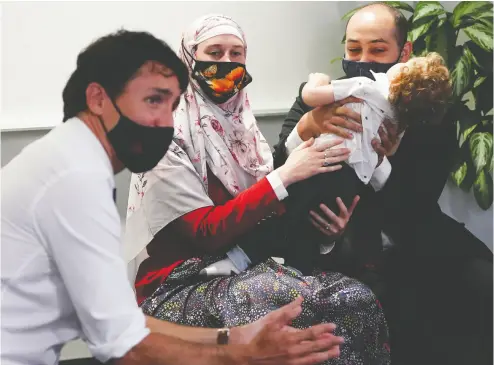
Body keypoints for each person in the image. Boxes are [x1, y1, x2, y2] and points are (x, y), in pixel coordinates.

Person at [0, 30, 346, 365]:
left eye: (172, 103)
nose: (165, 121)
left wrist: (231, 339)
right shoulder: (73, 183)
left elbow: (122, 324)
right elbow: (122, 342)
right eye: (152, 100)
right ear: (98, 99)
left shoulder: (72, 162)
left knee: (344, 300)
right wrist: (235, 351)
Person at [124, 14, 391, 365]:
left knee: (355, 298)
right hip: (178, 284)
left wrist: (327, 236)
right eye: (214, 52)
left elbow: (275, 221)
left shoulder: (244, 133)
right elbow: (205, 233)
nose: (227, 63)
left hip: (249, 269)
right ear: (188, 59)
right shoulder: (163, 135)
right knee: (275, 296)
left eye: (237, 54)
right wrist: (283, 177)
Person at [272, 2, 493, 364]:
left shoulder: (428, 105)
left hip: (410, 227)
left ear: (403, 52)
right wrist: (308, 126)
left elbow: (420, 198)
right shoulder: (324, 93)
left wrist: (381, 164)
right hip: (338, 235)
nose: (363, 59)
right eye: (353, 48)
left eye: (377, 49)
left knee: (483, 282)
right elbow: (280, 165)